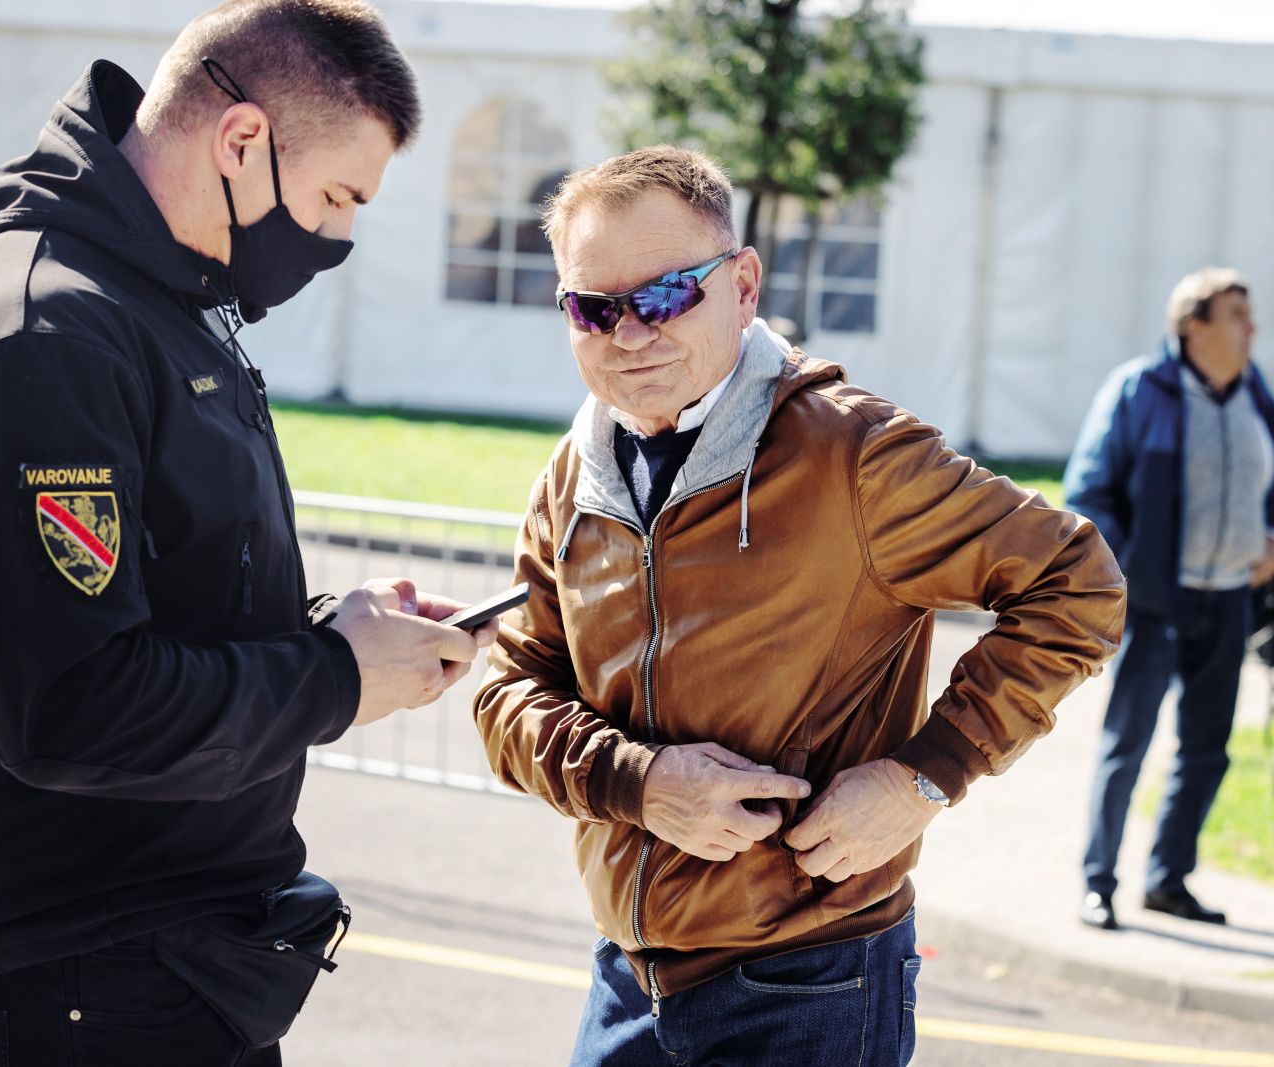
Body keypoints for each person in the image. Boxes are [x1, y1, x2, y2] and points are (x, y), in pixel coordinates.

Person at [0, 2, 495, 1063]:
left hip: (164, 954)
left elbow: (172, 602)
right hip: (74, 968)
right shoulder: (38, 334)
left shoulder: (156, 304)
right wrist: (333, 675)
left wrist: (344, 632)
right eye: (337, 195)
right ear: (242, 140)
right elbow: (76, 708)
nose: (339, 235)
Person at [472, 146, 1127, 1066]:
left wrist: (925, 774)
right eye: (595, 308)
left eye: (664, 296)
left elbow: (1078, 582)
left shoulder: (852, 453)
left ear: (743, 284)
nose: (630, 335)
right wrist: (640, 782)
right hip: (626, 980)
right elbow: (507, 693)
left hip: (812, 984)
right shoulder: (572, 477)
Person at [1069, 267, 1274, 931]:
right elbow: (1090, 492)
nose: (1251, 328)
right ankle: (1099, 882)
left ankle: (1169, 880)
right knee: (1128, 745)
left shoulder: (1254, 392)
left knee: (1207, 749)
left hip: (1228, 600)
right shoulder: (1141, 389)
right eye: (1237, 314)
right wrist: (1126, 572)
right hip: (1155, 603)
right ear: (1193, 324)